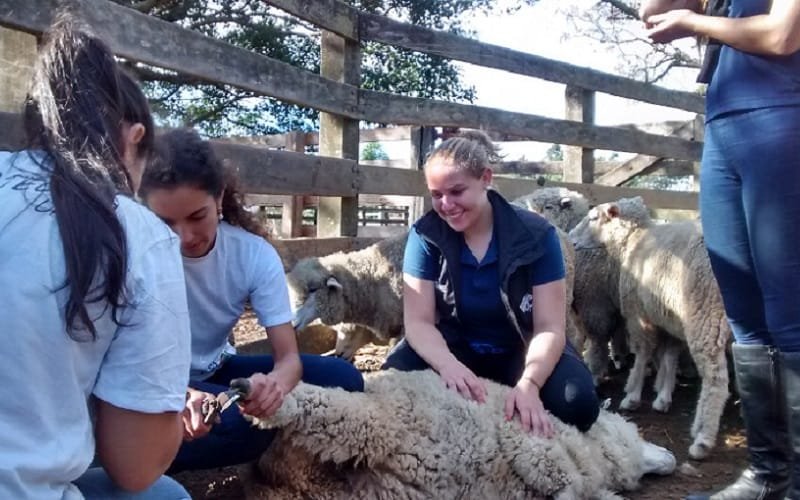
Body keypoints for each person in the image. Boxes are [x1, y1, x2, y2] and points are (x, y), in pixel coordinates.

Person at [0, 16, 191, 500]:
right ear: (133, 138)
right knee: (165, 494)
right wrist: (165, 411)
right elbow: (135, 466)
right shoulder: (135, 232)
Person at [639, 1, 800, 499]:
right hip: (724, 129)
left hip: (782, 119)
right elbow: (651, 9)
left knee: (788, 309)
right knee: (744, 314)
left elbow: (781, 36)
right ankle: (768, 475)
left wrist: (692, 23)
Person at [138, 128, 365, 472]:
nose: (183, 237)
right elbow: (115, 366)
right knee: (244, 428)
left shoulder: (252, 254)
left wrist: (273, 387)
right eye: (165, 222)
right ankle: (143, 457)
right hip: (149, 382)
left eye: (197, 216)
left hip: (216, 370)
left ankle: (165, 444)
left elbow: (288, 358)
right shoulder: (134, 253)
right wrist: (181, 395)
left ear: (219, 198)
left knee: (344, 378)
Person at [381, 131, 600, 436]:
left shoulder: (537, 236)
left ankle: (615, 450)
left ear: (485, 178)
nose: (446, 205)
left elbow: (550, 327)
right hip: (455, 348)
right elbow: (417, 322)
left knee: (577, 403)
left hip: (520, 349)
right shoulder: (425, 235)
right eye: (436, 194)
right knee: (391, 386)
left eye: (457, 191)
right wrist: (447, 365)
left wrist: (530, 382)